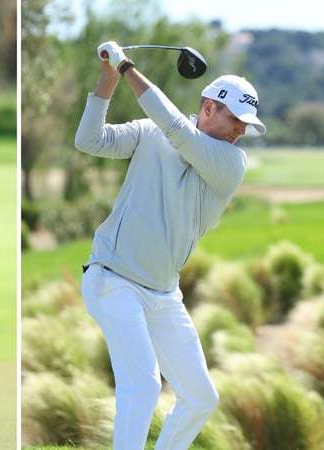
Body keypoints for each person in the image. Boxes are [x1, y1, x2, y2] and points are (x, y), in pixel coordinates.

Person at [74, 41, 266, 450]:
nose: (241, 130)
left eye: (247, 124)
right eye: (236, 118)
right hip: (114, 280)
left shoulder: (231, 163)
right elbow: (89, 140)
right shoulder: (150, 133)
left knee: (201, 398)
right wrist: (108, 78)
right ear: (209, 107)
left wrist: (125, 66)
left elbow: (177, 129)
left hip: (164, 294)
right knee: (142, 384)